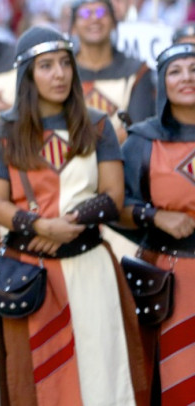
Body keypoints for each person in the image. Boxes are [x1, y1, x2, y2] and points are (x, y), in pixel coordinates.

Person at [0, 26, 148, 405]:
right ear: (27, 74)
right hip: (30, 275)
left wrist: (65, 225)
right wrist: (39, 225)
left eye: (65, 63)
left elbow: (113, 196)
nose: (59, 74)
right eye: (46, 66)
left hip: (90, 267)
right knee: (39, 378)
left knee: (104, 371)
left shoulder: (97, 124)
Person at [120, 42, 195, 404]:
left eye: (194, 69)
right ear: (162, 81)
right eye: (176, 71)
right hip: (169, 275)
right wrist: (154, 216)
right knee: (174, 375)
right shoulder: (141, 141)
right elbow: (116, 204)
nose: (187, 78)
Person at [71, 0, 155, 141]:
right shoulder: (64, 73)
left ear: (114, 23)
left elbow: (139, 128)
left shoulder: (137, 71)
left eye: (101, 12)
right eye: (85, 14)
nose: (94, 19)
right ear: (73, 27)